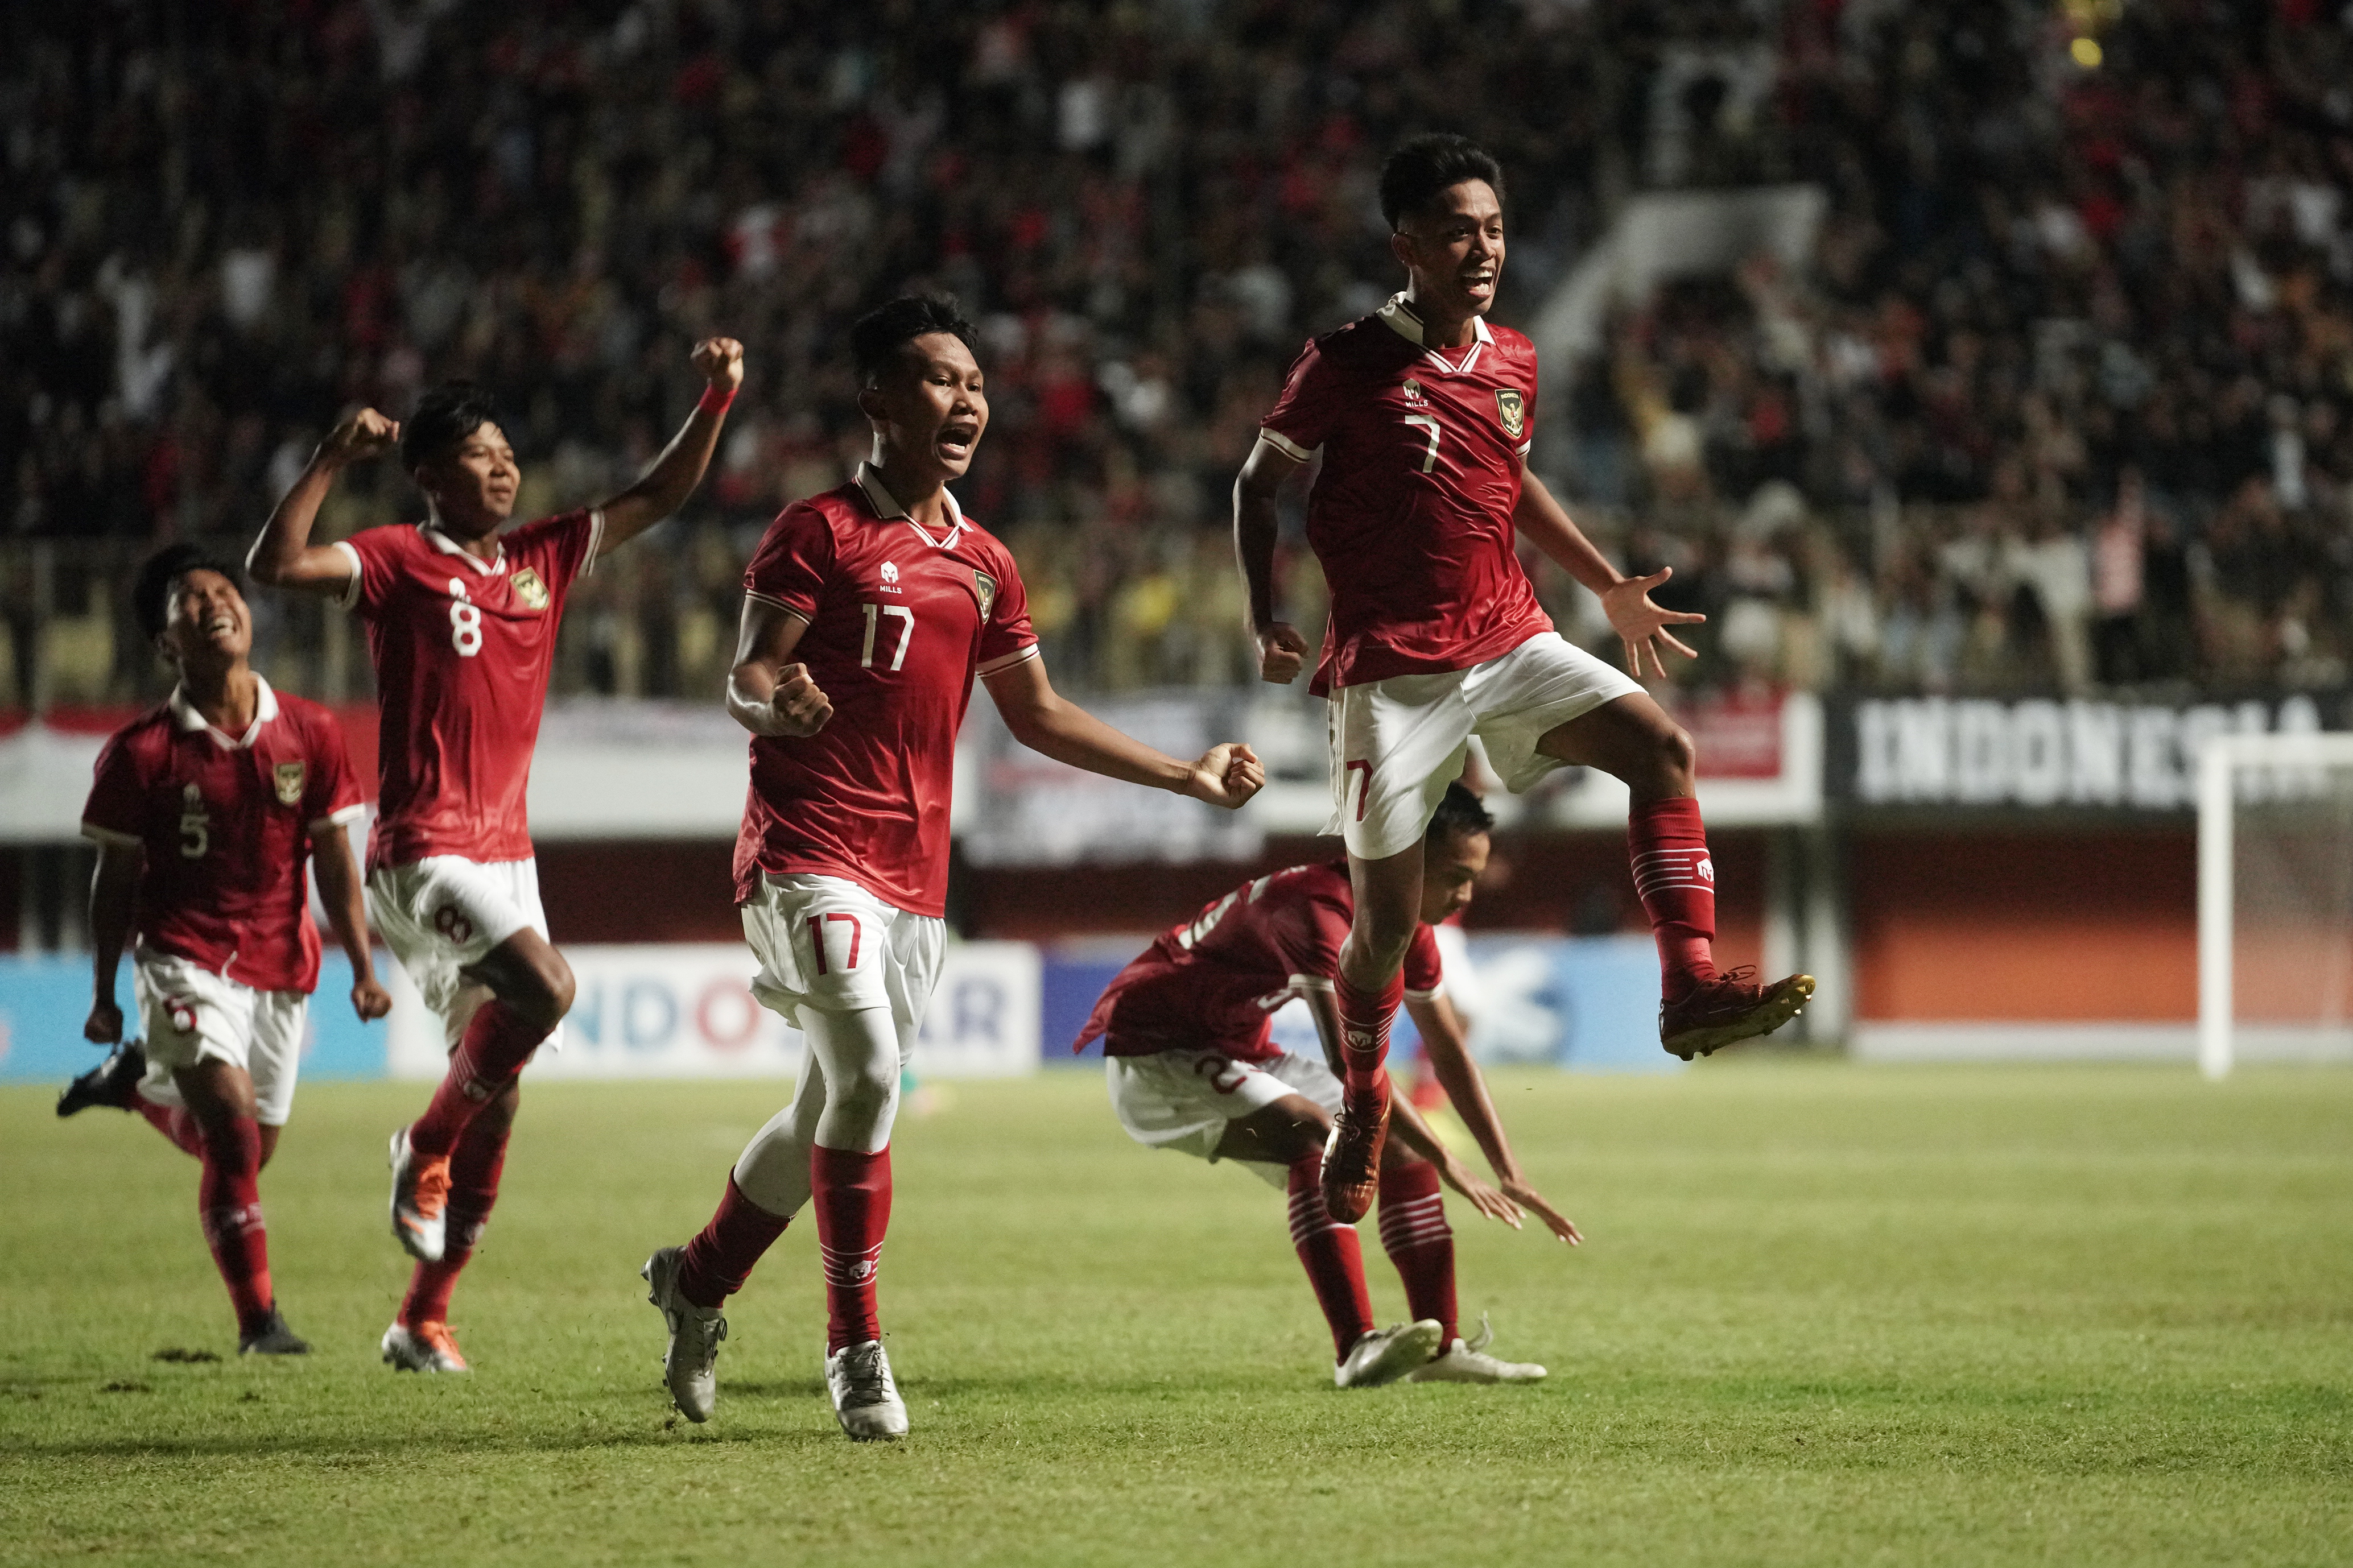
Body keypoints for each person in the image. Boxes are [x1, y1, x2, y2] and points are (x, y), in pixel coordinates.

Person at [638, 295, 1264, 1441]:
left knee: (831, 1102)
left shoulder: (983, 561)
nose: (968, 399)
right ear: (878, 398)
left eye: (977, 383)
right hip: (805, 850)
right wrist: (778, 702)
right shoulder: (815, 531)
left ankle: (698, 1282)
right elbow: (744, 675)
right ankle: (857, 1350)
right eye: (940, 380)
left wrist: (1185, 776)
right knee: (872, 1073)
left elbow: (1037, 714)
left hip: (913, 878)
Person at [1233, 134, 1813, 1224]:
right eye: (1459, 229)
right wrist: (1269, 615)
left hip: (1505, 639)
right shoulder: (1347, 360)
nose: (1483, 247)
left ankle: (1685, 983)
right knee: (1386, 932)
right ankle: (1363, 1105)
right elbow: (1257, 484)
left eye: (1494, 227)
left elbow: (1511, 480)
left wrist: (1606, 585)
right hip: (1390, 674)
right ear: (1406, 243)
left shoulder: (1515, 360)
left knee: (1663, 749)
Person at [245, 336, 747, 1373]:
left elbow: (656, 497)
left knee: (502, 1090)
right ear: (432, 476)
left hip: (505, 856)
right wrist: (333, 459)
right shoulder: (393, 559)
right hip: (421, 848)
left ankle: (423, 1316)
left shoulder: (543, 556)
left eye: (508, 451)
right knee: (548, 988)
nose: (505, 467)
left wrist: (716, 396)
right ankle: (420, 1147)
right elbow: (277, 566)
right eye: (480, 454)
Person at [1079, 784, 1572, 1387]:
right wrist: (1448, 1160)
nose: (1465, 894)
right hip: (1156, 1054)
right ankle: (1355, 1351)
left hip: (1238, 1047)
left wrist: (1507, 1170)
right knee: (1320, 1135)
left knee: (1396, 1145)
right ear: (1400, 857)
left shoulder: (1402, 922)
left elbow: (1448, 1052)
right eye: (1453, 876)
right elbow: (1350, 1070)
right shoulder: (1318, 911)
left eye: (1472, 875)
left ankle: (1441, 1348)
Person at [61, 544, 388, 1354]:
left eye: (223, 590)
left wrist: (363, 965)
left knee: (248, 1149)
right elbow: (114, 883)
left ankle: (136, 1086)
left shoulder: (312, 729)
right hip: (181, 955)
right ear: (165, 641)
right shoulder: (140, 753)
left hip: (282, 962)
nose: (214, 603)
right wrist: (104, 992)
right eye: (188, 599)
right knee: (235, 1139)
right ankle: (260, 1325)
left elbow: (335, 859)